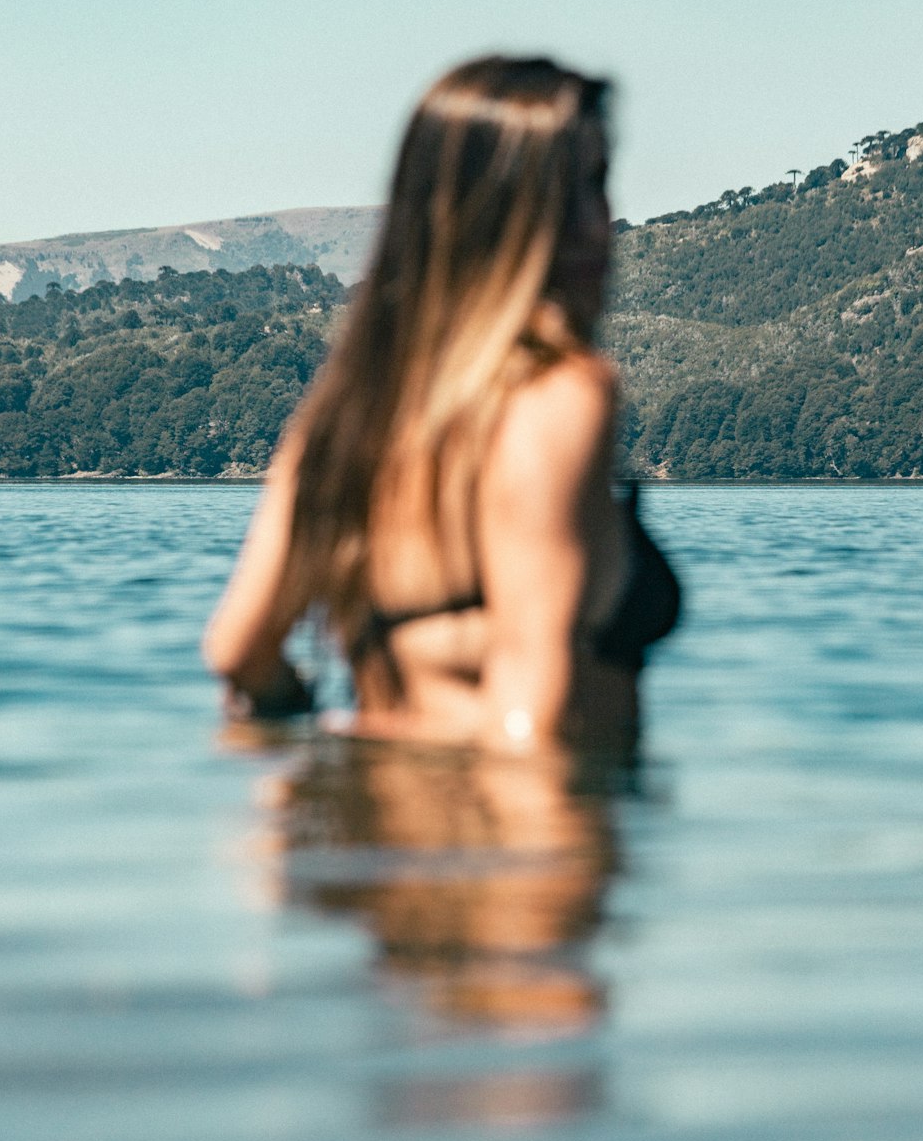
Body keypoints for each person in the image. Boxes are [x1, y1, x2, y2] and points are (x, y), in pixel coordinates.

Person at [203, 55, 679, 748]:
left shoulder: (347, 420)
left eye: (598, 186)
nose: (594, 224)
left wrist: (312, 738)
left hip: (374, 840)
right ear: (486, 211)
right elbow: (530, 717)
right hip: (512, 838)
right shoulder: (560, 397)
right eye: (559, 194)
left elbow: (238, 651)